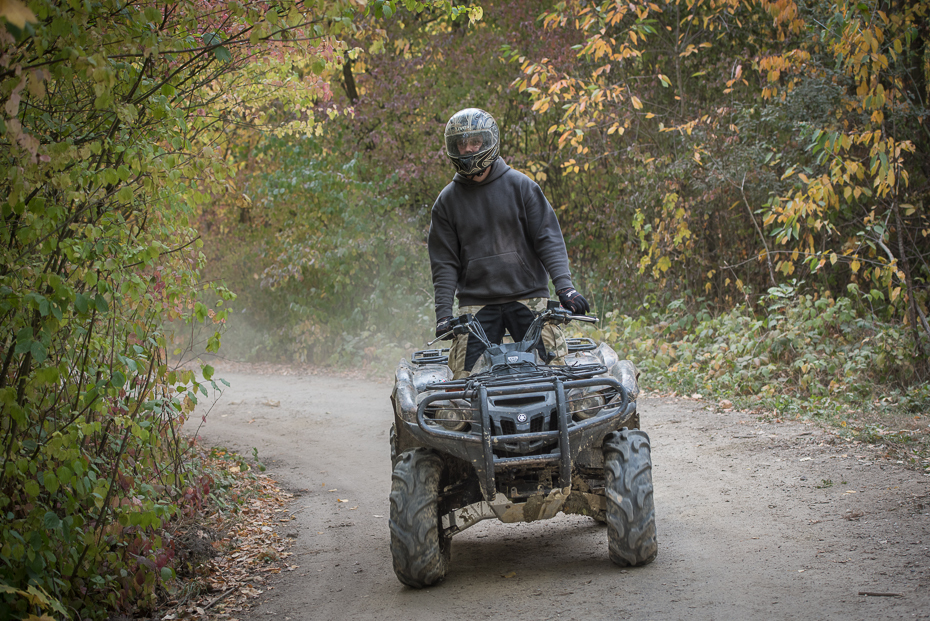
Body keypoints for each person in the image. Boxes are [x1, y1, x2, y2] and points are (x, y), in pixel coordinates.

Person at [428, 107, 590, 379]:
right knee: (463, 381)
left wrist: (566, 288)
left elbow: (547, 238)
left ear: (489, 141)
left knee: (557, 374)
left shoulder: (521, 186)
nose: (468, 149)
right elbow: (444, 263)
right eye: (461, 144)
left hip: (528, 296)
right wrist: (444, 314)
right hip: (476, 303)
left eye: (475, 142)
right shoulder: (447, 202)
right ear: (452, 148)